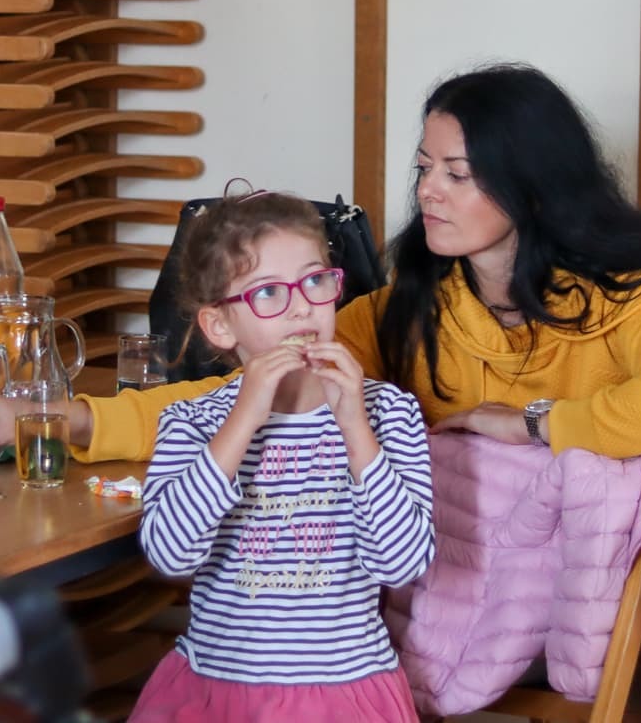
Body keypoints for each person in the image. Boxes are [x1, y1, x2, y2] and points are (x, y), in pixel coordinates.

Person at [0, 64, 641, 721]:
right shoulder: (409, 312)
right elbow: (250, 396)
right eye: (424, 167)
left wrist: (531, 423)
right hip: (497, 590)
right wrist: (50, 417)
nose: (426, 191)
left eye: (458, 173)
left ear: (529, 185)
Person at [129, 191, 433, 722]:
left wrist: (355, 427)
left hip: (346, 694)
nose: (301, 306)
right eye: (268, 291)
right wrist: (244, 418)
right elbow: (171, 554)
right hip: (219, 693)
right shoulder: (193, 422)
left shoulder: (389, 413)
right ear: (220, 325)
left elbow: (402, 563)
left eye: (315, 281)